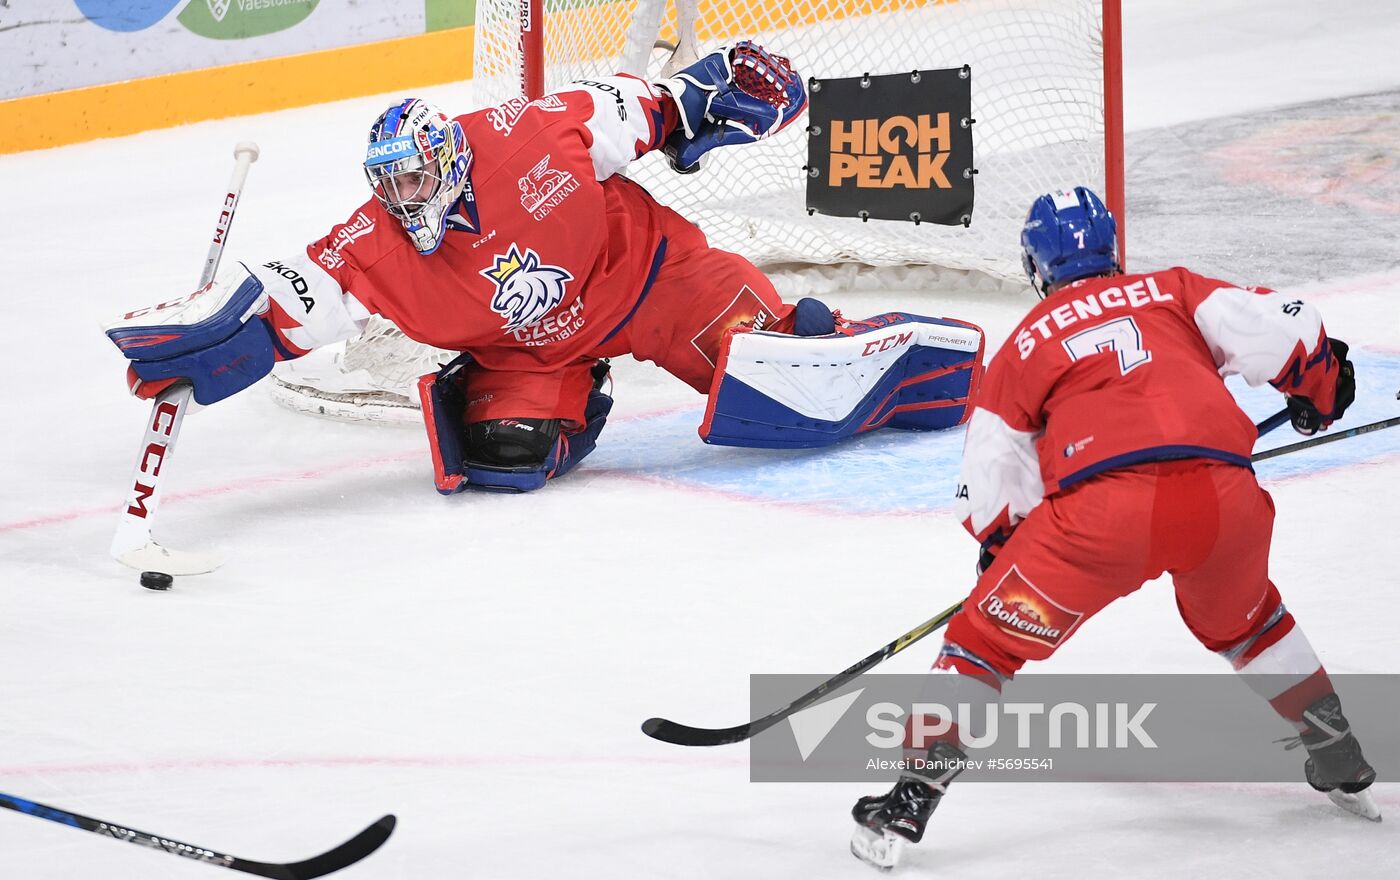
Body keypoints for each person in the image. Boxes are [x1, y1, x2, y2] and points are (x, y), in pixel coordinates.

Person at [104, 42, 984, 494]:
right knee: (503, 460)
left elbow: (657, 107)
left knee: (785, 376)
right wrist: (225, 330)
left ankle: (911, 361)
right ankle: (571, 391)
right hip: (528, 348)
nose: (402, 195)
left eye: (413, 174)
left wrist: (717, 97)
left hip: (652, 281)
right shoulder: (375, 242)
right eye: (388, 182)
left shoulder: (530, 132)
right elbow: (295, 292)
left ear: (447, 158)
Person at [849, 187, 1375, 870]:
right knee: (1250, 623)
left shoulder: (1027, 341)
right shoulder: (1175, 290)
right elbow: (1285, 328)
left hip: (1103, 521)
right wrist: (1320, 390)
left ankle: (907, 803)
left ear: (1037, 266)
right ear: (1112, 251)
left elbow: (994, 470)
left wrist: (1002, 547)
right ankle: (1338, 752)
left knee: (985, 641)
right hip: (1225, 504)